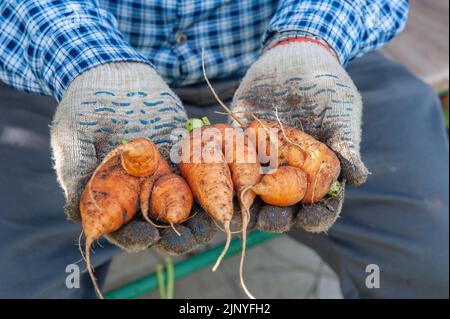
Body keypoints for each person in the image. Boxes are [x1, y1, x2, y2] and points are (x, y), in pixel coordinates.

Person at [0, 0, 447, 298]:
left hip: (297, 74)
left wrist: (309, 41)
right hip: (72, 81)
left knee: (432, 265)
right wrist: (93, 66)